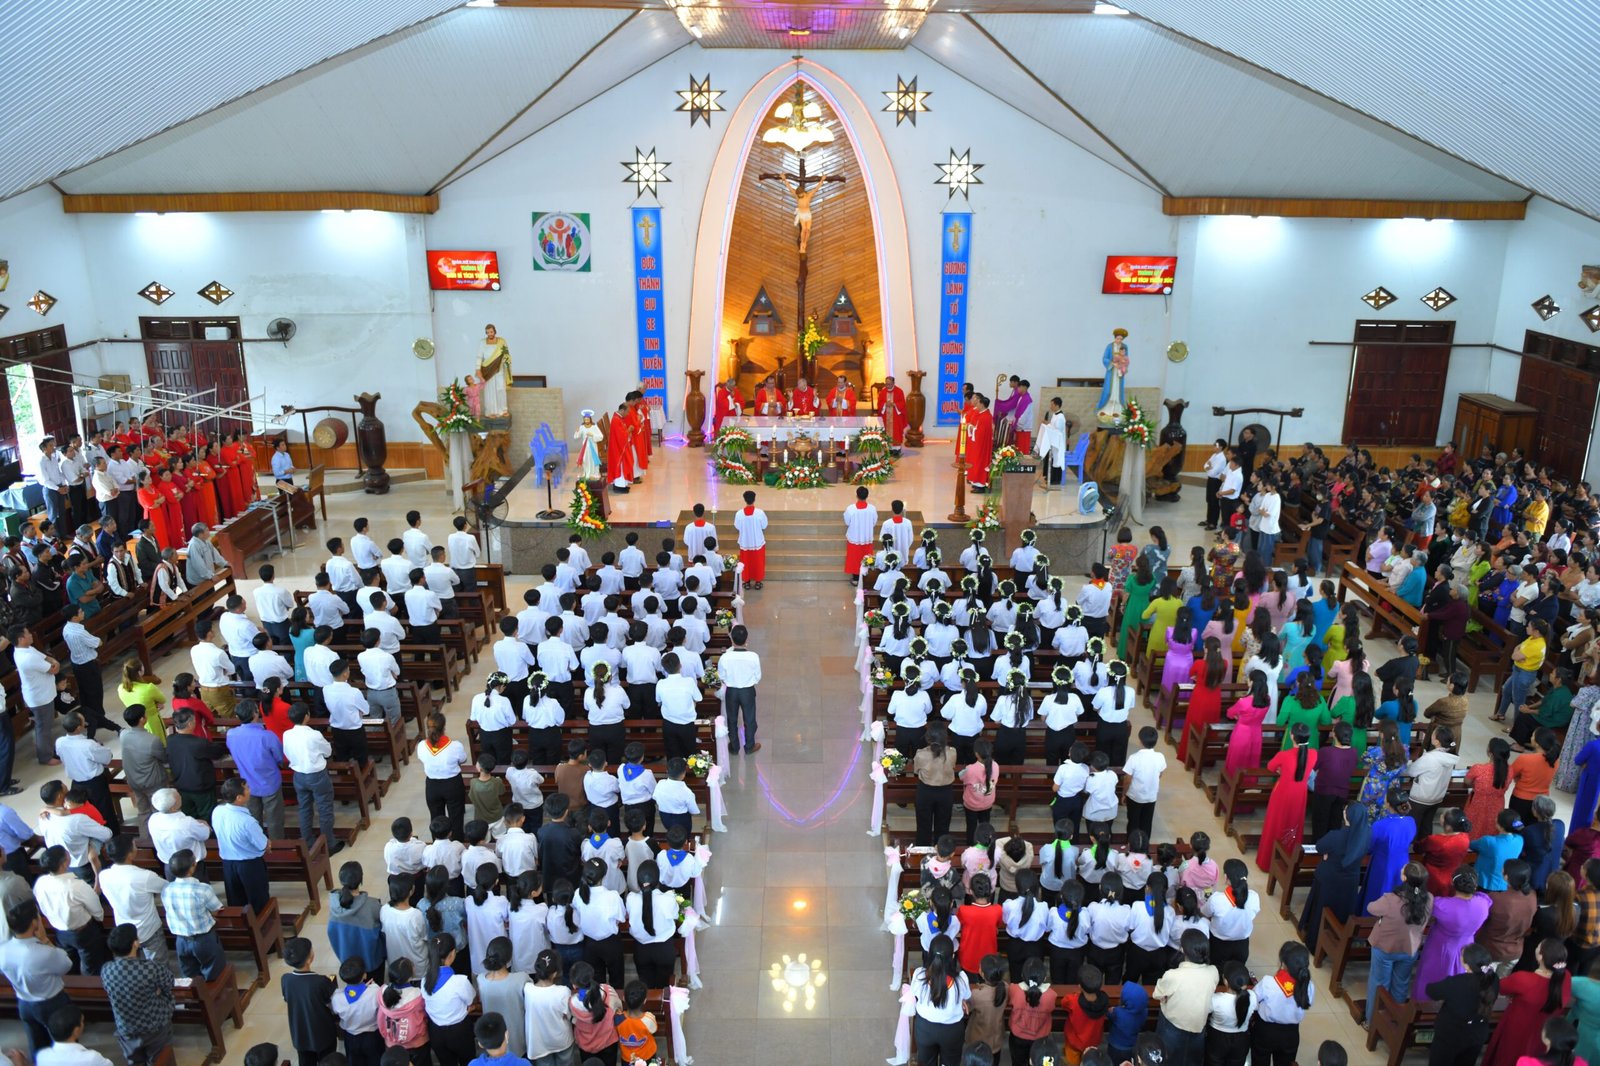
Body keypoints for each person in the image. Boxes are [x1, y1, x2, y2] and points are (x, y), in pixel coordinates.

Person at [0, 899, 73, 1056]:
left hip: (24, 1003)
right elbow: (66, 965)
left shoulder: (3, 950)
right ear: (34, 922)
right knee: (64, 1042)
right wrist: (45, 940)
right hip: (52, 1003)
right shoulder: (43, 953)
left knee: (37, 1045)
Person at [1365, 862, 1432, 1023]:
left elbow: (1371, 908)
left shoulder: (1391, 899)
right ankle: (1395, 1019)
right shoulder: (1429, 898)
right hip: (1409, 949)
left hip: (1385, 948)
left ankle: (1372, 1021)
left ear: (1404, 878)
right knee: (1401, 984)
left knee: (1379, 984)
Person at [101, 922, 176, 1065]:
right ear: (135, 943)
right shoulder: (150, 968)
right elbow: (169, 982)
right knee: (160, 1060)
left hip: (126, 1027)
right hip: (154, 1025)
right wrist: (156, 991)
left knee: (135, 1062)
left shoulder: (107, 969)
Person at [1299, 804, 1371, 953]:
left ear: (1347, 816)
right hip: (1350, 881)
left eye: (1345, 810)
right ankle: (1338, 939)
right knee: (1342, 910)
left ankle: (1314, 941)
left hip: (1329, 879)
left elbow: (1319, 846)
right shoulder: (1366, 836)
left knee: (1321, 909)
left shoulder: (1336, 836)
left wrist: (1328, 854)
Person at [1415, 867, 1493, 991]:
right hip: (1467, 947)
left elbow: (1426, 909)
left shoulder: (1442, 905)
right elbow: (1483, 898)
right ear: (1474, 885)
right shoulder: (1483, 903)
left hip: (1440, 946)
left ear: (1452, 883)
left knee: (1431, 977)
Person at [1425, 943, 1499, 1066]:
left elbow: (1431, 991)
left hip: (1451, 1035)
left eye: (1462, 956)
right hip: (1478, 1032)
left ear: (1467, 964)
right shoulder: (1493, 979)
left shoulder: (1456, 982)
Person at [1152, 928, 1219, 1065]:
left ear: (1183, 949)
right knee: (1192, 1060)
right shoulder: (1213, 971)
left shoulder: (1174, 975)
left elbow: (1157, 994)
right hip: (1198, 1026)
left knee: (1166, 1058)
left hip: (1172, 1026)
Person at [1257, 723, 1316, 871]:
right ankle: (1288, 858)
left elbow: (1270, 766)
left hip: (1283, 793)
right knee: (1293, 822)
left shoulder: (1284, 755)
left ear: (1292, 736)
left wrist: (1282, 770)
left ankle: (1268, 861)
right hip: (1300, 793)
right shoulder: (1313, 754)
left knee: (1276, 823)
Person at [1250, 941, 1313, 1066]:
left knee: (1260, 1060)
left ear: (1283, 963)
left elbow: (1253, 999)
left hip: (1265, 1031)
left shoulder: (1268, 983)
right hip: (1291, 1033)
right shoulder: (1309, 986)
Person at [215, 777, 272, 912]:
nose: (250, 790)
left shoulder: (217, 811)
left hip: (228, 863)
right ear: (239, 798)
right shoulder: (247, 821)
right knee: (258, 901)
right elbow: (263, 845)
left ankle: (242, 924)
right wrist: (267, 844)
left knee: (236, 902)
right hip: (249, 865)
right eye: (247, 788)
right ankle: (262, 924)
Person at [281, 936, 339, 1066]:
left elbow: (287, 998)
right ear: (309, 959)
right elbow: (333, 1004)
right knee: (328, 1061)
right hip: (323, 1033)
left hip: (300, 1033)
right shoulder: (320, 981)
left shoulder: (286, 979)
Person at [720, 623, 762, 755]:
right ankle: (749, 746)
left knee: (732, 719)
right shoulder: (753, 656)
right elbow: (757, 677)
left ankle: (734, 747)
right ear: (746, 639)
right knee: (749, 719)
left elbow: (722, 676)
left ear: (732, 639)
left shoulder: (725, 657)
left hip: (731, 691)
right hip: (747, 691)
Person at [844, 486, 879, 583]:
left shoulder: (851, 509)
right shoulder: (872, 509)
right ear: (867, 496)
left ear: (856, 495)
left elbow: (847, 522)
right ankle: (865, 578)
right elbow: (874, 522)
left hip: (855, 537)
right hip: (867, 537)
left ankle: (855, 579)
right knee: (867, 557)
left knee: (855, 558)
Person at [733, 489, 768, 589]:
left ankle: (747, 582)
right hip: (757, 542)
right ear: (754, 499)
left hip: (745, 542)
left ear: (744, 500)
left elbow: (737, 526)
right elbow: (764, 526)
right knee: (758, 562)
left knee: (745, 562)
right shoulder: (760, 513)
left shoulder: (739, 514)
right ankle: (758, 582)